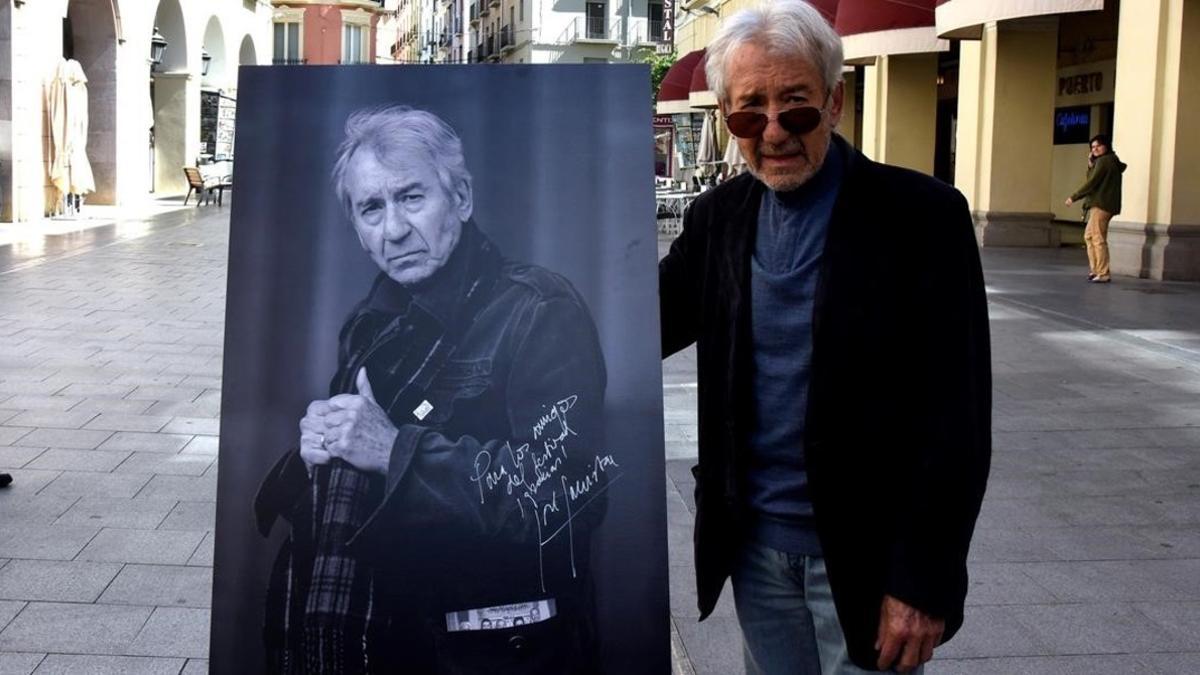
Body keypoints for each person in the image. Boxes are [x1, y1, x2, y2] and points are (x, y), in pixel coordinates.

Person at [658, 2, 992, 673]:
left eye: (796, 105)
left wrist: (922, 580)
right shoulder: (718, 218)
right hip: (754, 549)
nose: (774, 131)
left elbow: (956, 417)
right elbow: (642, 324)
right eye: (750, 111)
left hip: (869, 558)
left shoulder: (922, 218)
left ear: (834, 102)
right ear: (726, 116)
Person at [253, 105, 609, 674]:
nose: (393, 229)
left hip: (492, 656)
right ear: (357, 230)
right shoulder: (368, 325)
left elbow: (567, 499)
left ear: (461, 198)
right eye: (372, 208)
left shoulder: (539, 309)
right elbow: (353, 478)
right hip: (384, 643)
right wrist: (317, 449)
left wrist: (396, 451)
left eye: (411, 197)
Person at [1066, 134, 1126, 283]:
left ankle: (1103, 272)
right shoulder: (1109, 161)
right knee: (1089, 236)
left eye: (1098, 146)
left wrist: (1074, 197)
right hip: (1104, 204)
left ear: (1106, 146)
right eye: (1092, 147)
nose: (1095, 149)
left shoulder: (1104, 161)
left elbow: (1092, 182)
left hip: (1101, 204)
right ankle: (1096, 270)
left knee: (1098, 238)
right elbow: (1093, 178)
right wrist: (1091, 164)